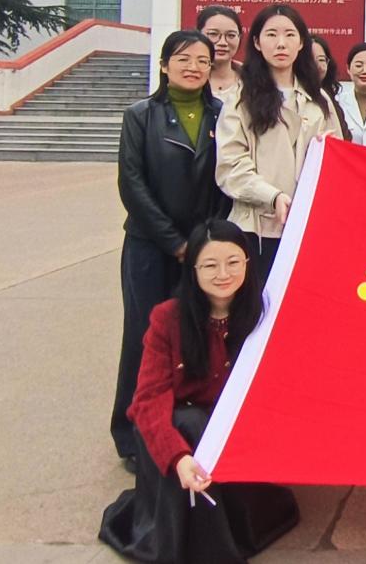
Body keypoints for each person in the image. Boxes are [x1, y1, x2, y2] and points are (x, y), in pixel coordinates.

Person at [100, 220, 299, 563]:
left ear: (247, 263)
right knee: (191, 423)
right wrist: (177, 457)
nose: (223, 274)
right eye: (209, 265)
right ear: (192, 270)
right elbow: (148, 400)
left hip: (231, 432)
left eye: (233, 262)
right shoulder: (167, 319)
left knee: (205, 425)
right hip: (175, 431)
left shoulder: (263, 314)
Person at [112, 30, 226, 471]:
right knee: (144, 337)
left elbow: (225, 180)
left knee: (197, 336)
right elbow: (132, 184)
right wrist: (175, 243)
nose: (193, 67)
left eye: (202, 60)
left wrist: (202, 243)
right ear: (164, 65)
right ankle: (133, 435)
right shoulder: (141, 115)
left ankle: (186, 432)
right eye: (183, 58)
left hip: (202, 250)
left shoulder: (222, 115)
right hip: (149, 247)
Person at [215, 4, 343, 285]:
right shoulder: (240, 98)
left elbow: (338, 161)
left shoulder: (319, 99)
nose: (281, 43)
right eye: (271, 35)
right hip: (257, 230)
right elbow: (230, 166)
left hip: (307, 228)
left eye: (290, 34)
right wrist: (272, 196)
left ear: (301, 43)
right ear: (257, 43)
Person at [195, 5, 243, 101]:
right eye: (213, 34)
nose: (222, 43)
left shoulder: (253, 81)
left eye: (231, 35)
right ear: (198, 34)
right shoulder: (186, 78)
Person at [310, 35, 350, 143]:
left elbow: (344, 141)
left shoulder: (330, 101)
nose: (317, 66)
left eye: (321, 60)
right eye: (310, 59)